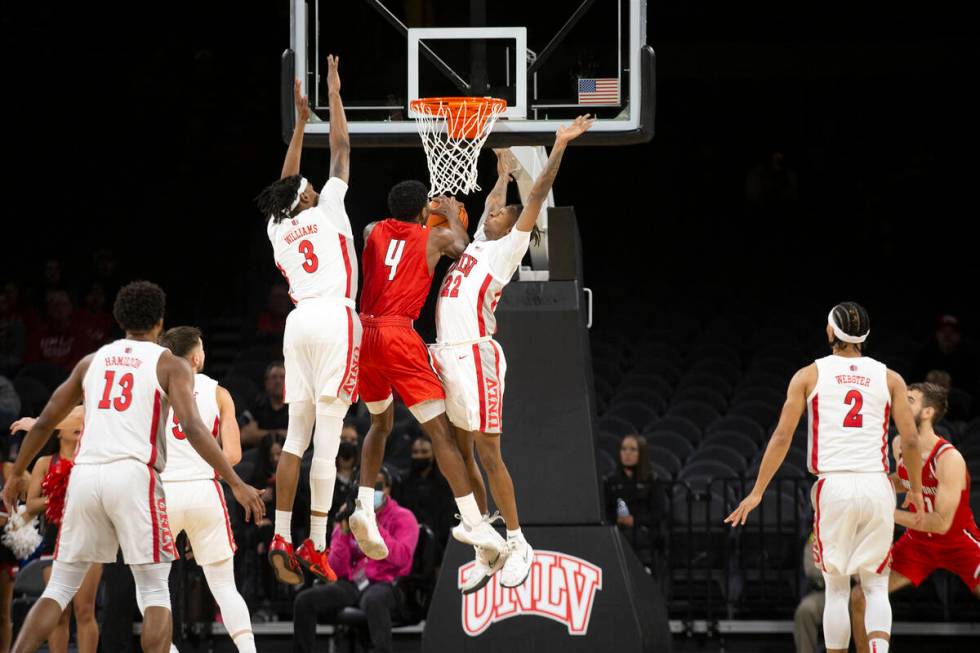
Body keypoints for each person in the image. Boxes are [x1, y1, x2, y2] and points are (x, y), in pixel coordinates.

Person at [0, 280, 264, 653]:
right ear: (159, 321)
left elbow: (45, 422)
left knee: (59, 588)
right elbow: (193, 428)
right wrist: (235, 481)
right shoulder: (169, 365)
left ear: (119, 318)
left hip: (86, 475)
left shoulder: (92, 361)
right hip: (135, 476)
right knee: (156, 589)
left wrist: (15, 475)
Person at [427, 122, 594, 591]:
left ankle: (520, 541)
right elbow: (488, 205)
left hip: (477, 357)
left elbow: (536, 193)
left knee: (487, 452)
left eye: (502, 212)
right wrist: (499, 174)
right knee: (462, 452)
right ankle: (487, 542)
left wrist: (558, 144)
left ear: (510, 223)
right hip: (446, 355)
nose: (494, 212)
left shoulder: (506, 249)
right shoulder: (479, 240)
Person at [726, 301, 925, 653]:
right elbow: (910, 439)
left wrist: (757, 492)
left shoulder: (808, 375)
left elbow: (782, 437)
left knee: (836, 587)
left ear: (831, 332)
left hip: (835, 485)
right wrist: (917, 491)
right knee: (877, 585)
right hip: (877, 484)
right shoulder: (890, 377)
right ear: (864, 336)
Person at [350, 179, 502, 558]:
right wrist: (450, 216)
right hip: (398, 335)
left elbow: (388, 234)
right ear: (423, 212)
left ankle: (364, 506)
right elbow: (465, 250)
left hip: (363, 334)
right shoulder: (434, 238)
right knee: (441, 435)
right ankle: (474, 522)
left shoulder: (372, 230)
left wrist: (426, 215)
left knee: (379, 425)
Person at [255, 56, 361, 585]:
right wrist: (335, 97)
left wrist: (298, 125)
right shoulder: (330, 208)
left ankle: (279, 532)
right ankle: (316, 542)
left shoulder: (279, 227)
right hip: (336, 319)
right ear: (308, 197)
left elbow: (284, 182)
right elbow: (341, 150)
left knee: (295, 439)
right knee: (328, 437)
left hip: (297, 326)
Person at [851, 382, 980, 652]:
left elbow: (941, 523)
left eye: (909, 399)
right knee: (860, 597)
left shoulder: (949, 458)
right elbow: (903, 480)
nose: (900, 402)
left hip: (958, 542)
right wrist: (870, 490)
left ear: (927, 413)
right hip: (919, 543)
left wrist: (884, 510)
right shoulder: (899, 444)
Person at [157, 326, 255, 653]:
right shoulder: (218, 392)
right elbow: (234, 455)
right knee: (224, 586)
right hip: (204, 491)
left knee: (153, 588)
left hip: (163, 492)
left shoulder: (155, 390)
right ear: (197, 356)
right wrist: (201, 468)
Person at [292, 468, 418, 653]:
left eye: (377, 486)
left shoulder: (404, 518)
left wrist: (372, 525)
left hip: (388, 582)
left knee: (373, 600)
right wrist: (343, 533)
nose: (371, 491)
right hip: (353, 583)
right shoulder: (350, 517)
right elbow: (336, 569)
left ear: (388, 489)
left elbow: (401, 558)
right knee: (304, 601)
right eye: (365, 486)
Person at [11, 407, 100, 653]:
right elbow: (31, 504)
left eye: (80, 421)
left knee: (85, 609)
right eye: (71, 418)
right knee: (59, 611)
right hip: (55, 541)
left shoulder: (92, 459)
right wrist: (59, 498)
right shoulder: (45, 462)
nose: (77, 423)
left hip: (89, 537)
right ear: (59, 433)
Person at [602, 433, 666, 571]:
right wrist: (617, 520)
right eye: (624, 449)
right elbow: (605, 511)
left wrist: (634, 520)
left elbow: (659, 512)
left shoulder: (652, 480)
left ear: (641, 453)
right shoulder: (611, 481)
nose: (627, 453)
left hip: (643, 529)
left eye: (633, 449)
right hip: (617, 529)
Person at [393, 436, 455, 552]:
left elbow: (447, 515)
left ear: (433, 455)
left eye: (424, 452)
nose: (420, 456)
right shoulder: (402, 482)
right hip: (409, 538)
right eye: (416, 452)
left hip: (439, 542)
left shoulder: (444, 483)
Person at [25, 290, 92, 373]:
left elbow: (80, 363)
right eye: (55, 305)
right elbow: (31, 363)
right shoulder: (38, 335)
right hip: (42, 379)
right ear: (49, 308)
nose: (59, 309)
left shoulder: (80, 334)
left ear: (70, 308)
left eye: (63, 305)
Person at [239, 362, 288, 448]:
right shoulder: (257, 405)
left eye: (282, 377)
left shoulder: (296, 407)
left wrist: (259, 434)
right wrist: (281, 434)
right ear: (267, 383)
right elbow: (244, 435)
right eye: (274, 377)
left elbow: (302, 437)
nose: (278, 381)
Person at [794, 532, 826, 653]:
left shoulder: (858, 523)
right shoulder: (818, 531)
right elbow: (810, 568)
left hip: (854, 592)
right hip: (825, 592)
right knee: (805, 610)